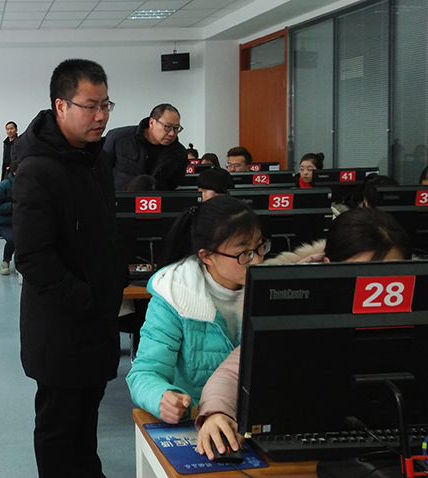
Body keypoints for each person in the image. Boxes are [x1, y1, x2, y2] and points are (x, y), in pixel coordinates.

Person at [195, 207, 413, 460]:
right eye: (366, 272)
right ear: (329, 266)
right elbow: (234, 372)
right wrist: (216, 413)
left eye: (391, 272)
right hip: (309, 440)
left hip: (402, 440)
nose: (380, 286)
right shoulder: (293, 301)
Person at [12, 58, 125, 477]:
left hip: (97, 320)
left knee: (87, 422)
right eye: (90, 106)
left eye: (106, 105)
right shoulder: (37, 170)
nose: (101, 116)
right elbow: (32, 257)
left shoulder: (95, 159)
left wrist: (114, 283)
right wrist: (86, 299)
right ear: (61, 106)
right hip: (61, 326)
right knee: (59, 428)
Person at [126, 196, 267, 425]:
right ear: (207, 256)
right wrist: (163, 397)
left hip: (259, 418)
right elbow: (145, 373)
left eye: (260, 247)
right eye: (244, 253)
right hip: (200, 421)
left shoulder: (272, 289)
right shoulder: (175, 294)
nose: (257, 260)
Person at [105, 103, 188, 191]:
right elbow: (101, 170)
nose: (172, 133)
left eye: (176, 128)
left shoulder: (179, 153)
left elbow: (173, 185)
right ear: (151, 122)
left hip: (157, 199)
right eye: (167, 127)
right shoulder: (119, 138)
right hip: (118, 197)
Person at [0, 160, 19, 275]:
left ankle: (22, 263)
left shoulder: (27, 185)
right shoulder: (4, 186)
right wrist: (11, 207)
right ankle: (6, 261)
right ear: (14, 172)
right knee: (13, 239)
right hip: (3, 221)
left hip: (19, 220)